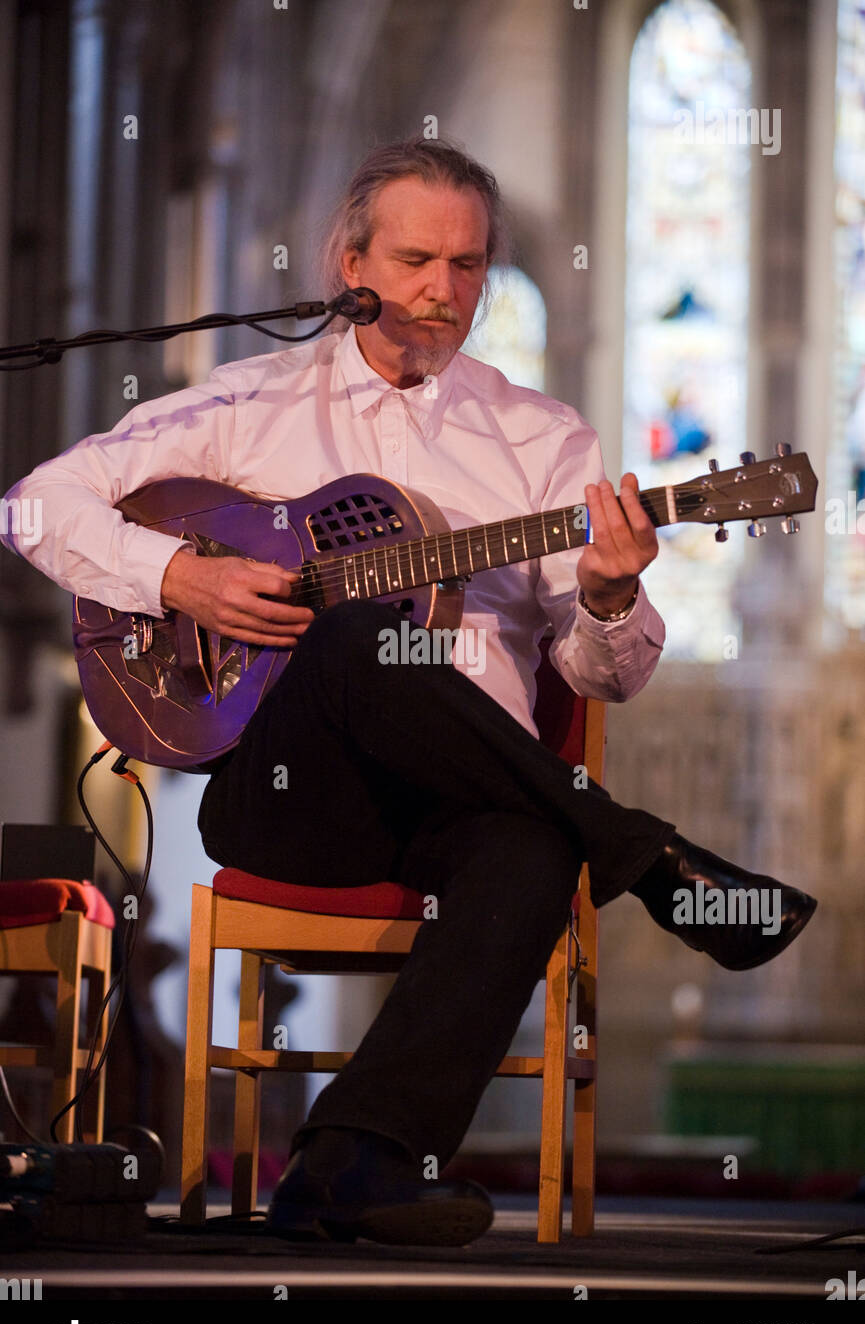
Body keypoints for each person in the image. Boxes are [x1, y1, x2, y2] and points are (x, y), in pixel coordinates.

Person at [0, 137, 816, 1248]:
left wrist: (612, 597)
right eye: (419, 259)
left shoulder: (540, 441)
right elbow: (33, 508)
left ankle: (352, 1161)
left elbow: (592, 675)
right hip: (291, 800)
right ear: (348, 262)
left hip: (462, 809)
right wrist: (180, 575)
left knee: (531, 849)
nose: (444, 290)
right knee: (351, 634)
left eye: (470, 266)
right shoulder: (243, 407)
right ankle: (642, 852)